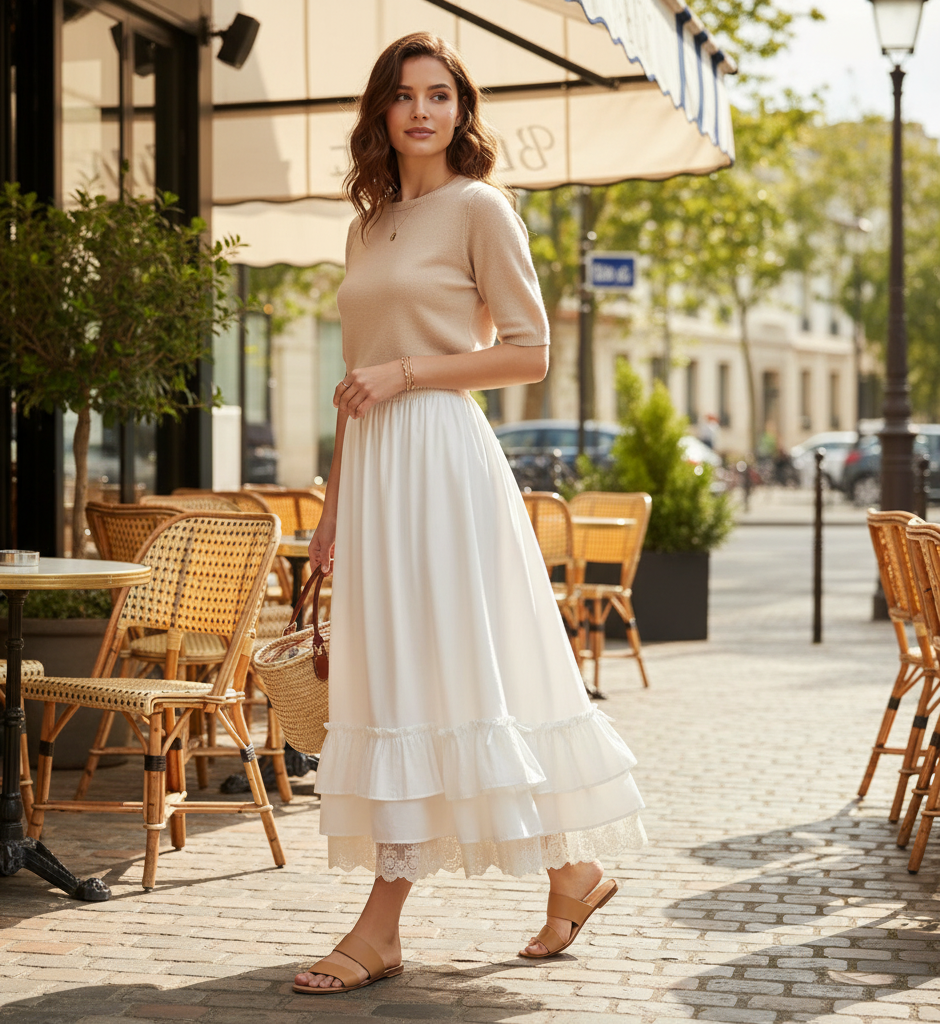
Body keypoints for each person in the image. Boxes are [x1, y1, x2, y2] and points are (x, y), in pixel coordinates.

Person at [294, 32, 646, 995]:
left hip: (443, 461)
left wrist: (407, 372)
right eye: (404, 96)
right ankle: (569, 874)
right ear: (381, 111)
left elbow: (527, 352)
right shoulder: (367, 227)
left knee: (445, 680)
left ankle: (379, 928)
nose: (421, 111)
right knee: (408, 683)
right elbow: (350, 384)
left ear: (461, 110)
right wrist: (332, 505)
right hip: (374, 471)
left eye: (439, 95)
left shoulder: (482, 207)